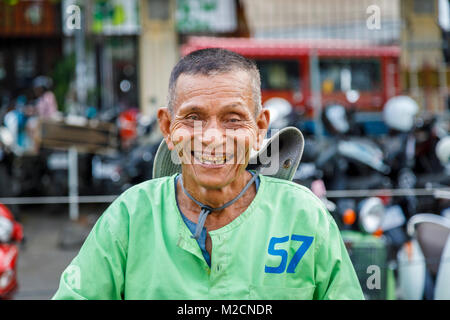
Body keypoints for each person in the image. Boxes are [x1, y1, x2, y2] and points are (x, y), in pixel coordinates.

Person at [53, 48, 364, 300]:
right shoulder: (130, 217)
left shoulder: (304, 216)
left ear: (259, 128)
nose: (212, 138)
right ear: (167, 127)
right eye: (193, 118)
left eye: (233, 119)